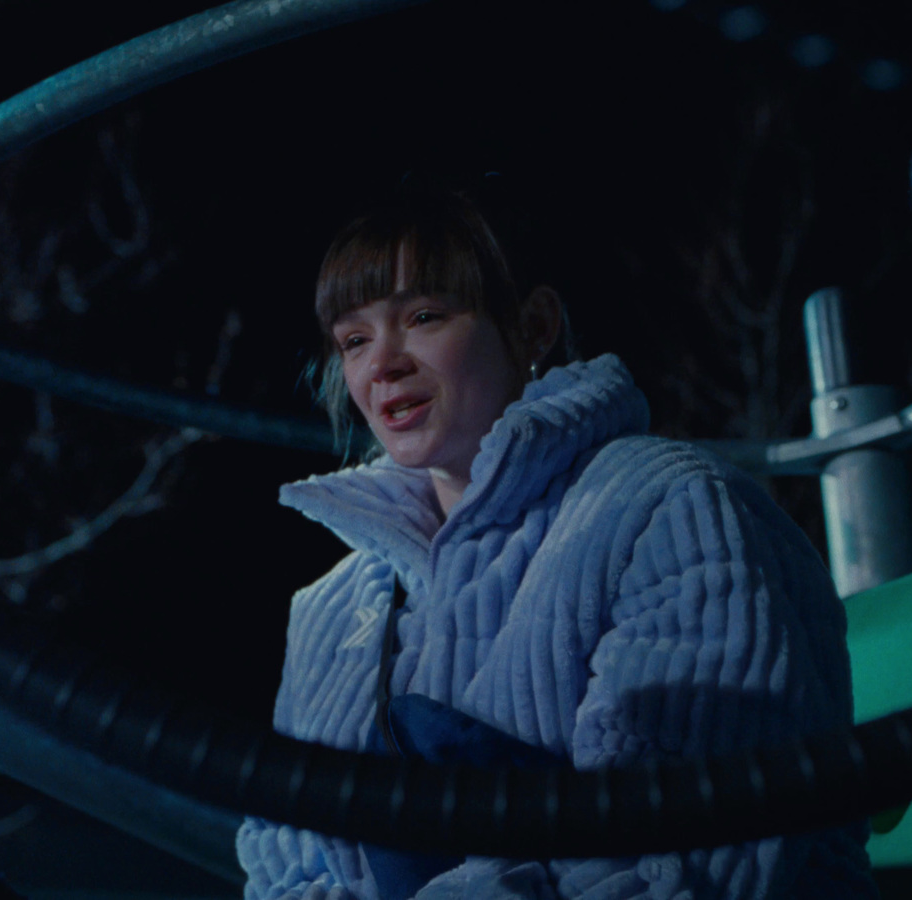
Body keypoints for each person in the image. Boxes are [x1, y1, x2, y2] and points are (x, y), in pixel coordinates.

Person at [236, 181, 878, 899]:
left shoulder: (669, 511)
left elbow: (684, 853)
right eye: (354, 340)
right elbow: (288, 867)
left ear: (535, 326)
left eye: (423, 316)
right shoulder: (329, 611)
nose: (381, 363)